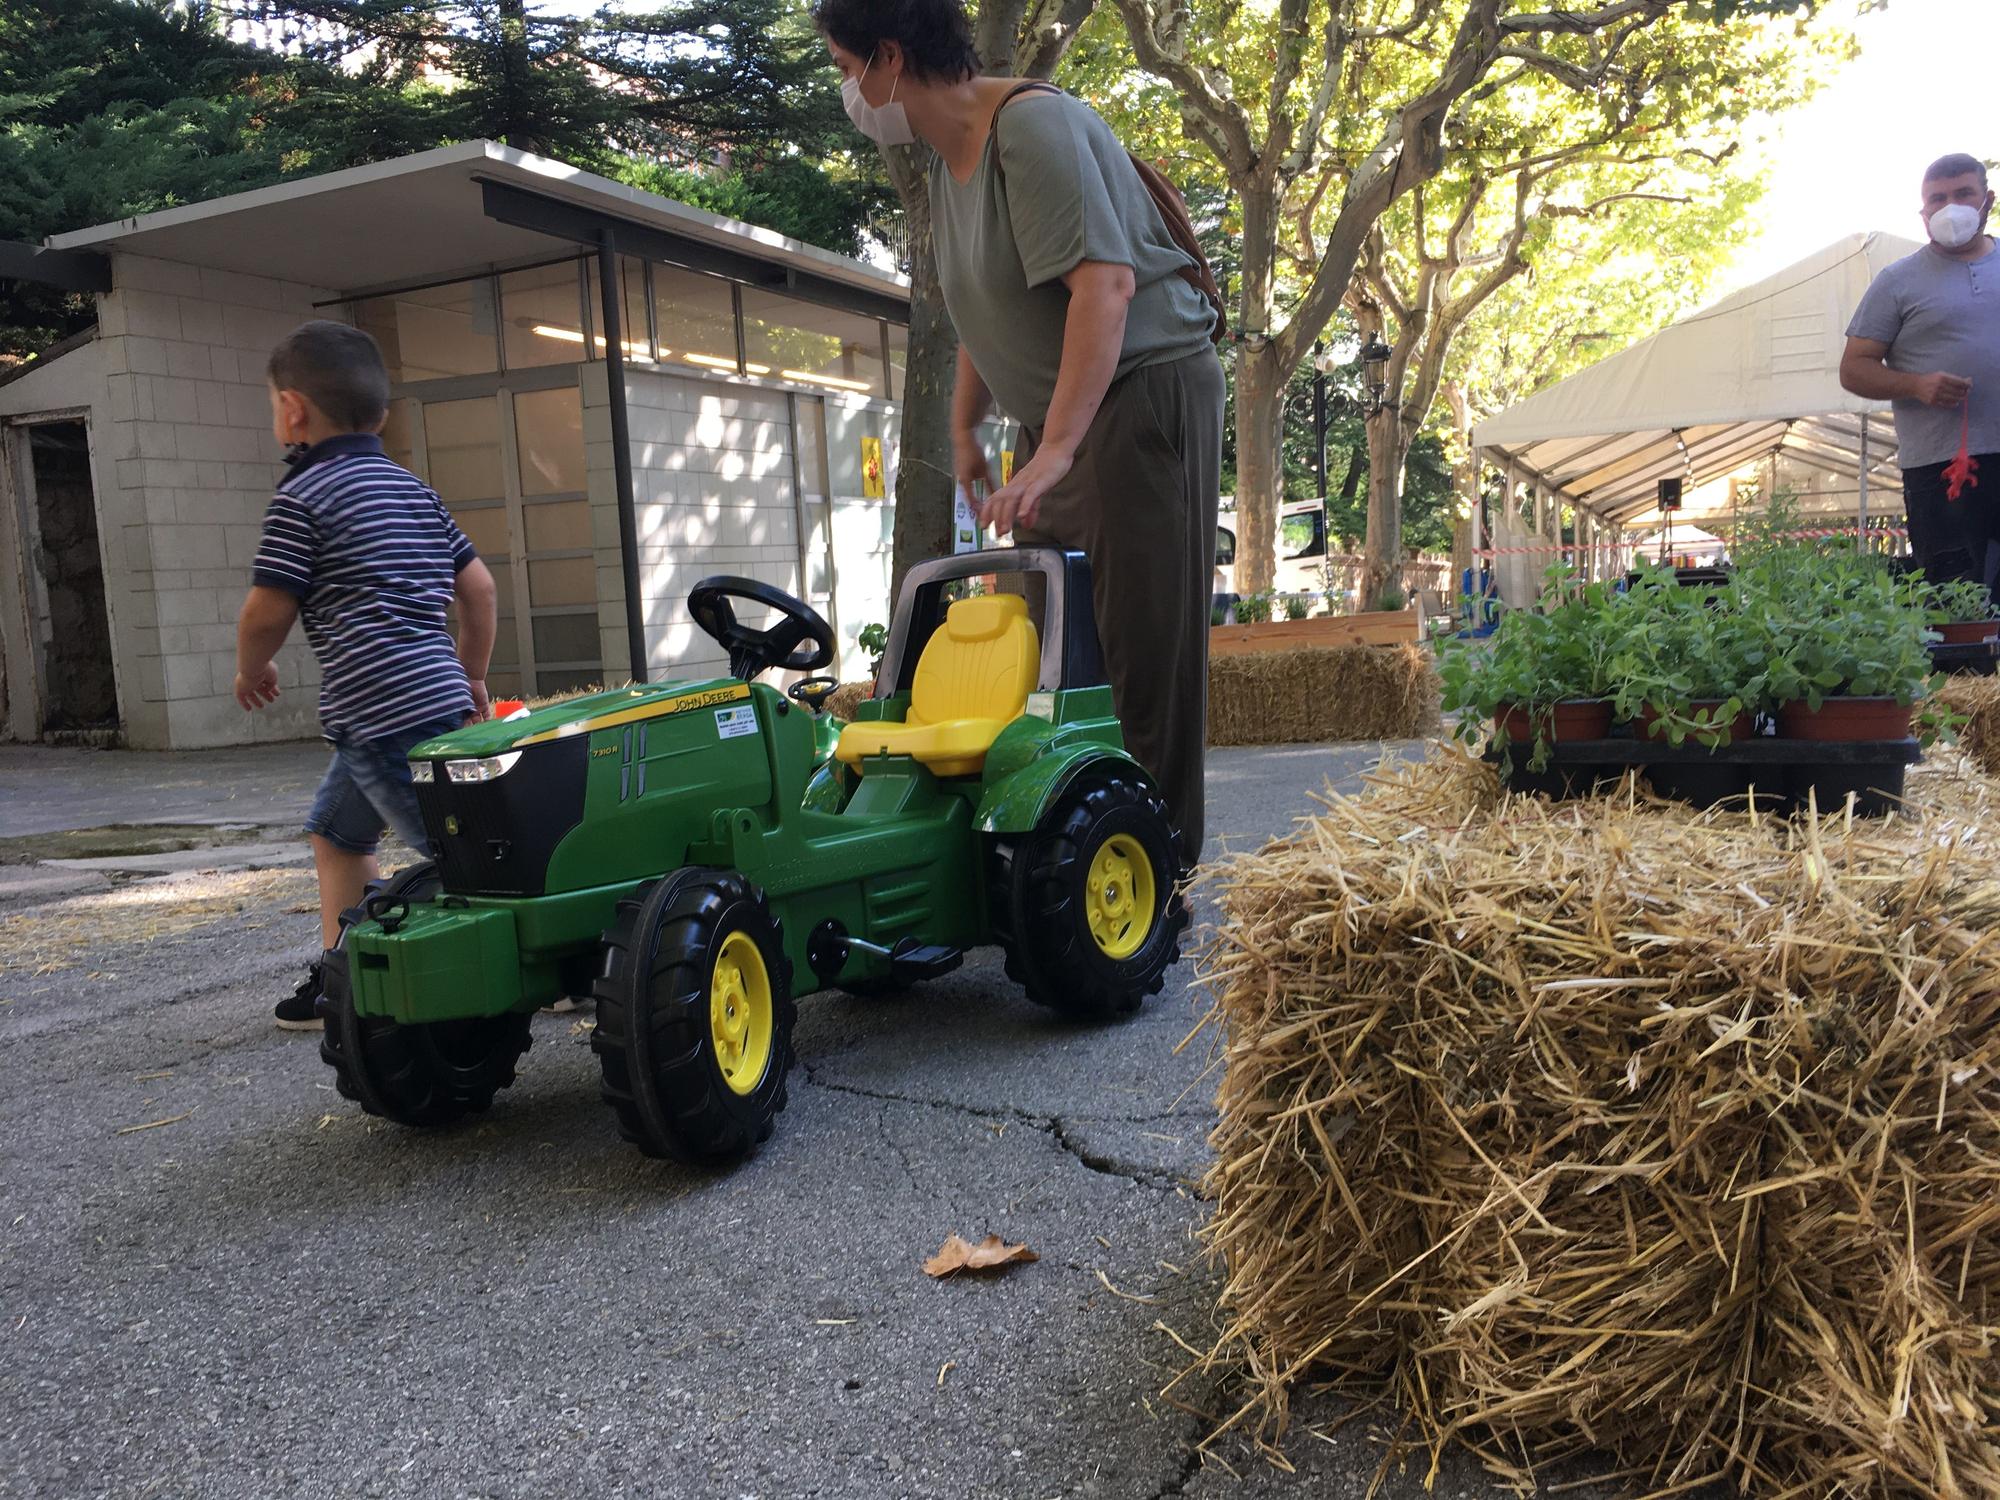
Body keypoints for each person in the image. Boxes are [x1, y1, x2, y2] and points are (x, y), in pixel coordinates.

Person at [814, 0, 1224, 865]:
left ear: (891, 57)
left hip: (1138, 396)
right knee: (1055, 665)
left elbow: (1103, 288)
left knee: (1143, 658)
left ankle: (1162, 872)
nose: (849, 90)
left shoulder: (1031, 128)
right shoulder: (943, 165)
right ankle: (1080, 858)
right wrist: (969, 427)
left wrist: (1057, 448)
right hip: (1063, 421)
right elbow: (985, 307)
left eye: (849, 69)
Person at [234, 320, 498, 1030]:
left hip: (376, 716)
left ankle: (556, 961)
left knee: (461, 859)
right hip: (428, 698)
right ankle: (341, 980)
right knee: (336, 834)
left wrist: (251, 667)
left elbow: (268, 607)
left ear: (292, 411)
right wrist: (471, 674)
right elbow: (480, 591)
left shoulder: (303, 499)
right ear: (380, 415)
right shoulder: (414, 491)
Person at [1840, 152, 2000, 592]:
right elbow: (1853, 369)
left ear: (1987, 200)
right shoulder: (1897, 281)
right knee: (1957, 600)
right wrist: (1916, 384)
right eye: (1938, 199)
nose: (1950, 207)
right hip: (1941, 470)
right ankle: (1962, 663)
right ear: (1923, 212)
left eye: (1963, 194)